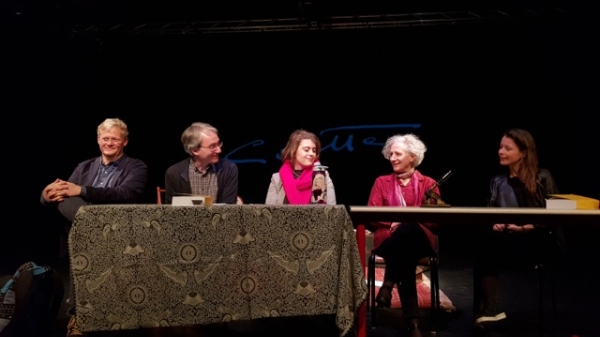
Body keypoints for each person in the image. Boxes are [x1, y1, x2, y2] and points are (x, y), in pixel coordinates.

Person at [40, 117, 148, 337]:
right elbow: (64, 194)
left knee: (78, 232)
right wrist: (45, 195)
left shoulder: (136, 166)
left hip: (117, 229)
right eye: (105, 138)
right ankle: (79, 318)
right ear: (98, 139)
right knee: (63, 201)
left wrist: (82, 191)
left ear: (124, 142)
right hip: (86, 233)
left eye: (114, 139)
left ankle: (81, 317)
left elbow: (126, 194)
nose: (109, 143)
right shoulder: (85, 166)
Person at [473, 128, 567, 331]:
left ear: (523, 153)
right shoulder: (497, 181)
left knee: (490, 245)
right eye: (500, 147)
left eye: (507, 148)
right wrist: (494, 223)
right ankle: (491, 308)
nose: (501, 151)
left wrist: (527, 227)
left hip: (539, 241)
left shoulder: (542, 177)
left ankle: (490, 309)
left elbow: (558, 215)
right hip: (508, 241)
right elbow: (490, 213)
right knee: (482, 241)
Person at [367, 133, 439, 337]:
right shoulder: (381, 182)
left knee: (408, 228)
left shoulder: (429, 184)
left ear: (412, 157)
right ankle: (414, 323)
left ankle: (388, 284)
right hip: (388, 241)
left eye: (398, 154)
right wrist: (392, 222)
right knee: (404, 254)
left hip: (420, 241)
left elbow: (435, 221)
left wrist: (408, 222)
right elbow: (371, 214)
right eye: (390, 154)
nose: (392, 158)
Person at [165, 122, 238, 204]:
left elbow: (229, 208)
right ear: (195, 150)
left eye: (218, 144)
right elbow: (170, 211)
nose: (219, 150)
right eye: (212, 146)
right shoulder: (174, 173)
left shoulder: (228, 169)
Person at [265, 129, 336, 205]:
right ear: (294, 152)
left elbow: (331, 211)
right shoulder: (277, 179)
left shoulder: (323, 175)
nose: (312, 153)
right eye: (306, 150)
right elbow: (268, 212)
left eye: (314, 150)